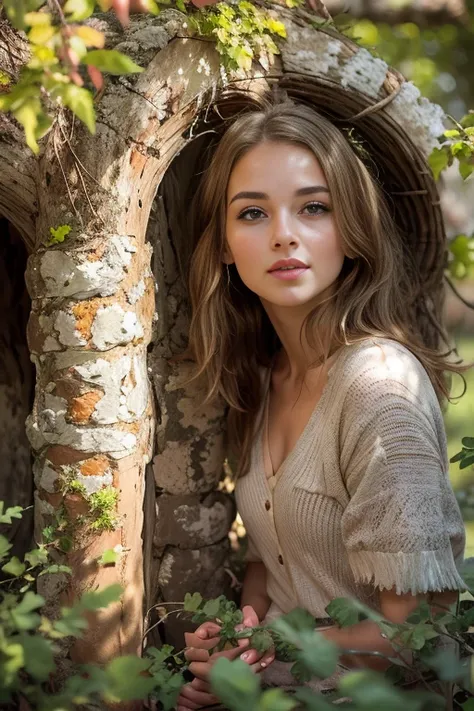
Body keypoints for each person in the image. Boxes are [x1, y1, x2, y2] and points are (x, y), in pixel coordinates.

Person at [175, 100, 468, 710]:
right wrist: (234, 650)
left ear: (351, 227)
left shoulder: (377, 390)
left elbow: (424, 639)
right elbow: (267, 566)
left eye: (314, 207)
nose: (284, 233)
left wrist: (273, 648)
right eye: (252, 212)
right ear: (226, 246)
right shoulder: (266, 376)